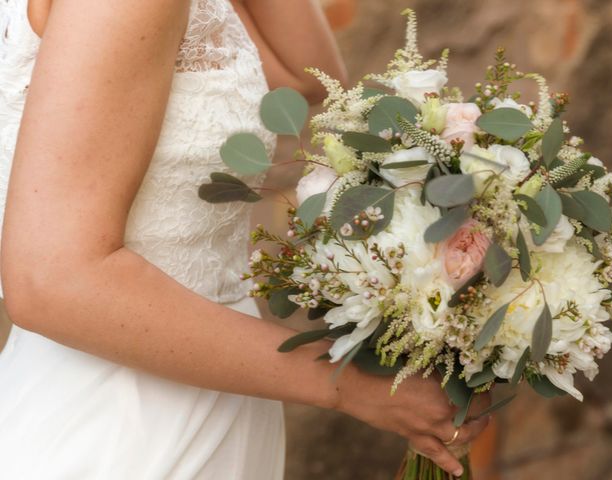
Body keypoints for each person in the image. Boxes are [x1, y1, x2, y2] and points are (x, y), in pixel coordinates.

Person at [0, 0, 489, 478]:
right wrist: (352, 386)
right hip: (122, 416)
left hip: (209, 387)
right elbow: (54, 281)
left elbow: (304, 74)